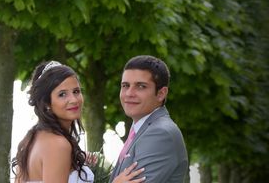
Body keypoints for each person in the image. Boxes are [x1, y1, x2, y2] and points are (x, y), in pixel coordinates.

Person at [12, 61, 146, 183]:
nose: (74, 100)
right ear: (47, 103)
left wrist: (76, 161)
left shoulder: (31, 140)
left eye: (76, 91)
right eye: (62, 94)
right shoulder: (58, 145)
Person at [111, 55, 188, 183]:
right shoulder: (141, 128)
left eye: (141, 86)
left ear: (161, 94)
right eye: (125, 85)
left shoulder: (160, 133)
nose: (129, 93)